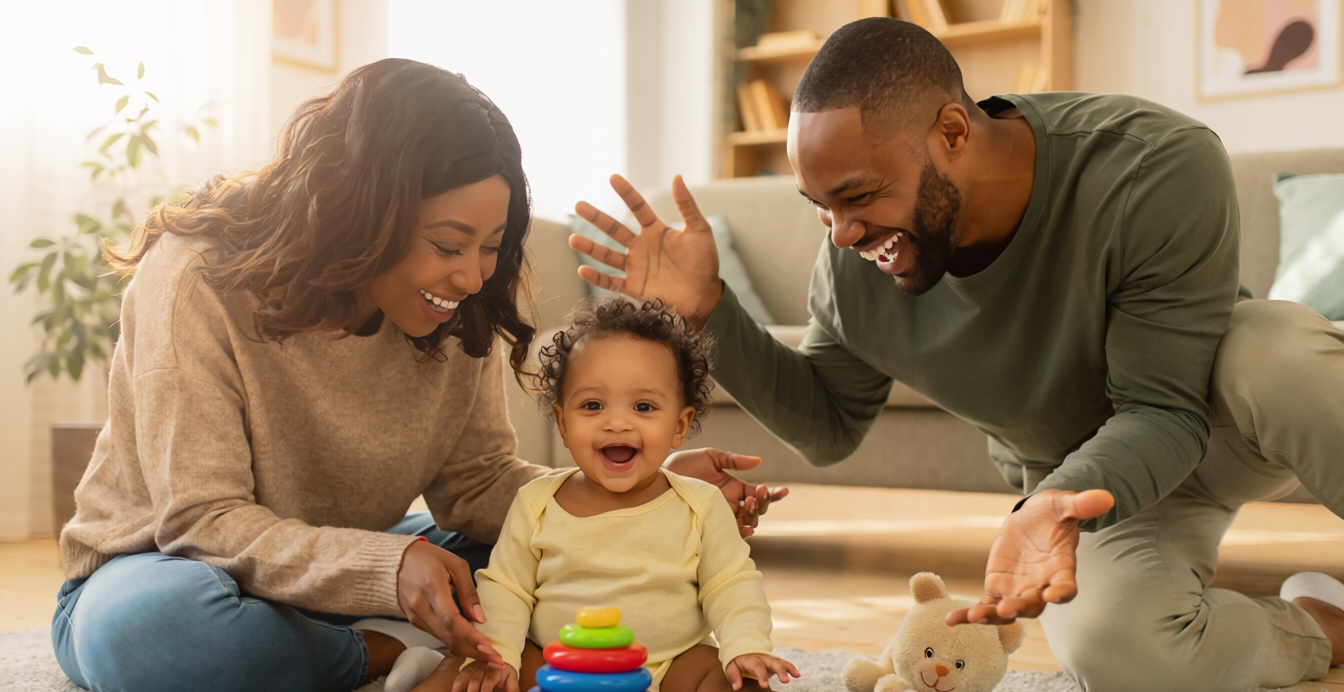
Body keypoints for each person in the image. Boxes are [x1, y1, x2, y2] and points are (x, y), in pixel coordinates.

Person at [568, 17, 1344, 692]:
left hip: (1221, 415)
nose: (841, 233)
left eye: (858, 195)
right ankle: (1320, 621)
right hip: (1083, 499)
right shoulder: (852, 263)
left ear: (952, 132)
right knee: (1123, 654)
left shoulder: (1151, 164)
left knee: (1276, 350)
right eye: (821, 207)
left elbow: (1164, 411)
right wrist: (711, 312)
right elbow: (828, 424)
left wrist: (1057, 497)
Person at [50, 58, 784, 692]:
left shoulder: (457, 305)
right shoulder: (195, 278)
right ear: (361, 211)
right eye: (448, 244)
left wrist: (637, 493)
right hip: (168, 569)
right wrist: (388, 568)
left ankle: (344, 639)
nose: (471, 275)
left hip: (356, 558)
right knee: (158, 635)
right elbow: (199, 521)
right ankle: (383, 651)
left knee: (551, 554)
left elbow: (477, 483)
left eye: (491, 246)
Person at [400, 298, 800, 692]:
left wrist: (744, 647)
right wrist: (501, 654)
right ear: (563, 423)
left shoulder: (700, 504)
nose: (617, 423)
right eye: (593, 405)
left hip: (669, 664)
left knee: (738, 681)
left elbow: (730, 583)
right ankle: (432, 668)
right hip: (555, 662)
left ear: (680, 426)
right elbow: (506, 589)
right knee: (478, 673)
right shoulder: (535, 502)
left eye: (643, 406)